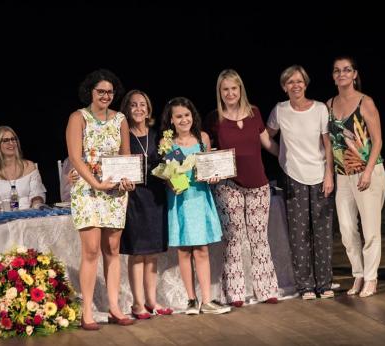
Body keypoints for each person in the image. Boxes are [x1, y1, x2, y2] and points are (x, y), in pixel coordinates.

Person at [66, 68, 135, 330]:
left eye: (110, 91)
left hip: (115, 190)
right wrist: (95, 183)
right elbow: (75, 156)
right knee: (91, 250)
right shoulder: (78, 117)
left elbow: (125, 155)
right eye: (100, 91)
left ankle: (114, 307)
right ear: (91, 92)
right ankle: (86, 312)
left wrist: (128, 178)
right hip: (87, 188)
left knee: (113, 250)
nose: (106, 96)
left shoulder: (120, 119)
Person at [204, 69, 279, 307]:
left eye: (233, 88)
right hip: (229, 186)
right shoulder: (214, 118)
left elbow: (268, 144)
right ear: (220, 92)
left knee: (259, 238)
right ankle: (235, 293)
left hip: (259, 184)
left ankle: (266, 290)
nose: (230, 93)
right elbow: (206, 150)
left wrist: (292, 155)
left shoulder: (254, 113)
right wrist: (208, 171)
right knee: (234, 239)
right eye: (225, 89)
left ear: (240, 89)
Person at [266, 65, 335, 300]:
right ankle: (305, 286)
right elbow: (267, 137)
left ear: (305, 84)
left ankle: (324, 283)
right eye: (290, 82)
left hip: (319, 176)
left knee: (322, 233)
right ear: (284, 87)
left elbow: (327, 144)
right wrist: (281, 155)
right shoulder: (280, 110)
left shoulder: (319, 109)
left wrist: (329, 174)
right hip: (293, 177)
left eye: (299, 81)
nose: (295, 85)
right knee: (299, 234)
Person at [160, 96, 230, 315]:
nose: (183, 120)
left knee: (201, 249)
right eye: (179, 116)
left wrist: (214, 177)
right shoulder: (167, 143)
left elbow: (210, 167)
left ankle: (207, 300)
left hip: (200, 198)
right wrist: (171, 183)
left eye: (187, 115)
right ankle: (191, 300)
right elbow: (167, 174)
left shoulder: (203, 139)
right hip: (181, 200)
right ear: (171, 120)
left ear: (193, 116)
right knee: (184, 250)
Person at [327, 56, 385, 298]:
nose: (342, 74)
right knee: (347, 229)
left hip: (367, 172)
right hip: (343, 175)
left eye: (346, 70)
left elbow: (378, 140)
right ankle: (358, 274)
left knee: (370, 229)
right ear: (333, 76)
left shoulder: (365, 102)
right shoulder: (328, 104)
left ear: (354, 74)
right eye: (337, 71)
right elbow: (329, 144)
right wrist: (329, 174)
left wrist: (369, 171)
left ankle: (371, 278)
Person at [118, 90, 172, 319]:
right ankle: (137, 304)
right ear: (127, 109)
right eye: (133, 105)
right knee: (137, 253)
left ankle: (151, 300)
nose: (139, 109)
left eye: (143, 104)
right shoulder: (124, 135)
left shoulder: (158, 134)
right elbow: (118, 165)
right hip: (134, 199)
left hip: (156, 198)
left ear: (148, 109)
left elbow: (170, 162)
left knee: (152, 254)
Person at [0, 126, 46, 212]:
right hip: (3, 220)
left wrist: (34, 210)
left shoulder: (30, 166)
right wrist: (4, 219)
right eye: (6, 140)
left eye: (13, 139)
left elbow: (37, 195)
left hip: (29, 216)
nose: (11, 143)